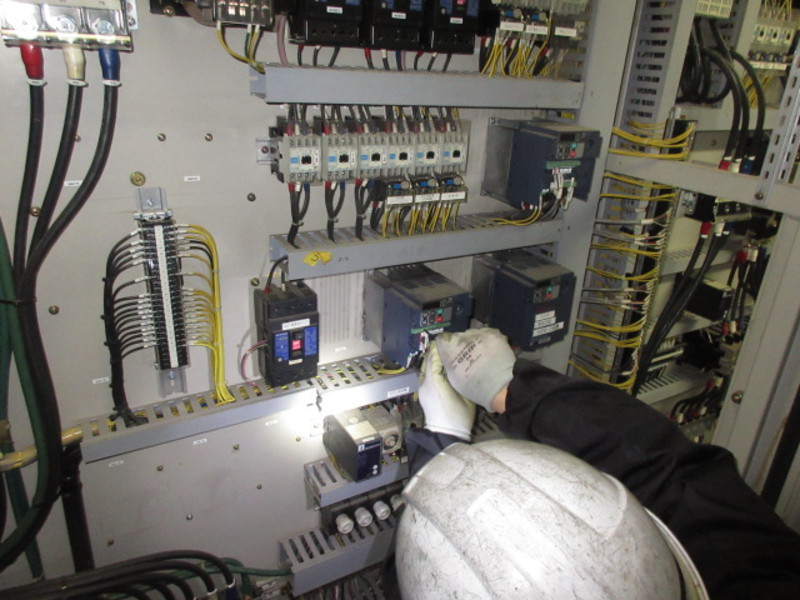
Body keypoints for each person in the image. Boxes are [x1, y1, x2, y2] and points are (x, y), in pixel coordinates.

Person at [405, 328, 800, 600]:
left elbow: (422, 574)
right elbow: (667, 475)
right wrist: (510, 391)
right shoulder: (759, 576)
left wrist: (441, 440)